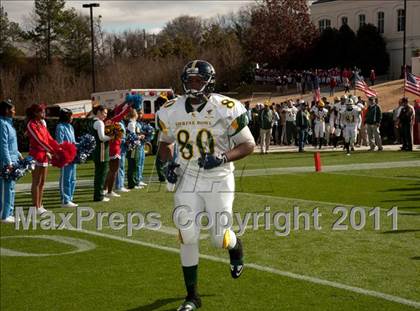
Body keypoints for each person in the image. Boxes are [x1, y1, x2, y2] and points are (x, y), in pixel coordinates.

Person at [157, 60, 255, 311]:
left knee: (217, 239)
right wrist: (167, 164)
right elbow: (166, 144)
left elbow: (248, 145)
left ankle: (235, 247)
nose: (192, 85)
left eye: (198, 81)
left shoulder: (227, 107)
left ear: (209, 82)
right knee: (187, 235)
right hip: (187, 178)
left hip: (218, 177)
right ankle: (192, 296)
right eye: (189, 80)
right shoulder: (170, 109)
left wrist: (222, 157)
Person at [26, 103, 60, 214]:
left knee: (42, 182)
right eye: (42, 111)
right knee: (36, 181)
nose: (44, 113)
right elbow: (39, 140)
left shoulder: (41, 124)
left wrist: (58, 148)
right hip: (36, 155)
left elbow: (49, 138)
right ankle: (35, 207)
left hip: (44, 155)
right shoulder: (31, 124)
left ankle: (40, 205)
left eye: (44, 111)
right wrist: (52, 151)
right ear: (35, 113)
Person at [0, 100, 22, 223]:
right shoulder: (2, 124)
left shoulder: (9, 124)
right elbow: (3, 145)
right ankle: (4, 215)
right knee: (5, 188)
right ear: (6, 111)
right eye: (12, 109)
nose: (14, 111)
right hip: (6, 162)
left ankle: (9, 212)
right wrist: (8, 162)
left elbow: (11, 144)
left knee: (11, 188)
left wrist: (18, 155)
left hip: (14, 160)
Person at [55, 108, 78, 208]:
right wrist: (65, 152)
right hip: (65, 156)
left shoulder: (70, 127)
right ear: (66, 116)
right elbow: (59, 142)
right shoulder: (60, 127)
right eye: (71, 116)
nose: (72, 118)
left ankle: (70, 198)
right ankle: (65, 200)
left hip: (73, 155)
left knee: (73, 178)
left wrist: (80, 146)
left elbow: (73, 141)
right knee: (66, 178)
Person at [91, 105, 111, 202]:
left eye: (106, 113)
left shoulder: (93, 121)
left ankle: (98, 195)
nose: (105, 115)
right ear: (99, 112)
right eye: (104, 113)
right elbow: (102, 138)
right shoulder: (99, 122)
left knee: (99, 174)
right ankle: (99, 196)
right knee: (101, 174)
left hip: (97, 151)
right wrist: (113, 136)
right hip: (102, 151)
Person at [126, 109, 142, 189]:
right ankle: (132, 183)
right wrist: (140, 136)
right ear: (135, 114)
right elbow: (132, 137)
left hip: (136, 146)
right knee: (132, 164)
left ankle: (135, 182)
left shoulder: (134, 123)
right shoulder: (131, 124)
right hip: (133, 147)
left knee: (135, 164)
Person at [135, 111, 148, 188]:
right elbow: (136, 134)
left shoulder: (142, 122)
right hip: (138, 145)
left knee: (142, 162)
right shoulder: (135, 123)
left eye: (141, 113)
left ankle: (140, 178)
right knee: (138, 163)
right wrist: (141, 135)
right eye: (139, 113)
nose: (140, 115)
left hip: (142, 144)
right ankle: (137, 180)